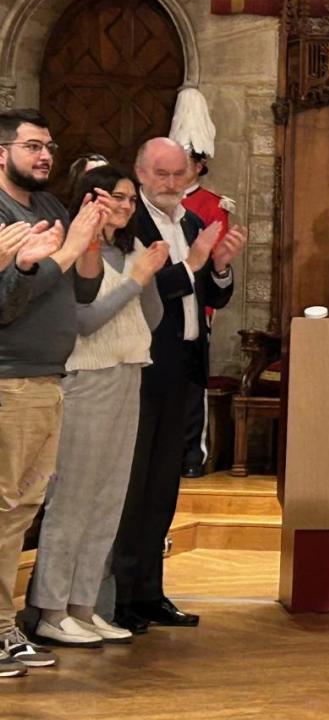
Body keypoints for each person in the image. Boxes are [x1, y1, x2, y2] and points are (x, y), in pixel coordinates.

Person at [28, 161, 168, 648]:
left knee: (109, 499)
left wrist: (145, 277)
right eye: (118, 197)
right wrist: (135, 281)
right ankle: (50, 608)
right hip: (86, 378)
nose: (126, 207)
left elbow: (149, 319)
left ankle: (83, 607)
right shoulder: (76, 247)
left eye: (132, 199)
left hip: (129, 374)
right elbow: (85, 322)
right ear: (93, 198)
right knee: (73, 499)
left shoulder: (127, 251)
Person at [111, 138, 245, 633]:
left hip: (186, 365)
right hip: (142, 365)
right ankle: (121, 596)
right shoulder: (131, 224)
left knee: (165, 486)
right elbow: (139, 292)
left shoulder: (189, 220)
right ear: (141, 173)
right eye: (162, 175)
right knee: (135, 485)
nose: (172, 184)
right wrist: (192, 265)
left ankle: (150, 592)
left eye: (179, 174)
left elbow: (210, 296)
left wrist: (222, 266)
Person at [0, 109, 108, 677]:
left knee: (22, 511)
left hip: (48, 374)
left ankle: (3, 627)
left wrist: (90, 238)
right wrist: (58, 256)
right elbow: (6, 304)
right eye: (33, 146)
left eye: (49, 145)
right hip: (9, 377)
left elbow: (78, 286)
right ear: (2, 152)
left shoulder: (47, 206)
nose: (45, 156)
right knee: (2, 508)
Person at [169, 88, 233, 477]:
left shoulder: (211, 204)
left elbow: (216, 259)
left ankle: (192, 452)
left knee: (193, 384)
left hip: (195, 303)